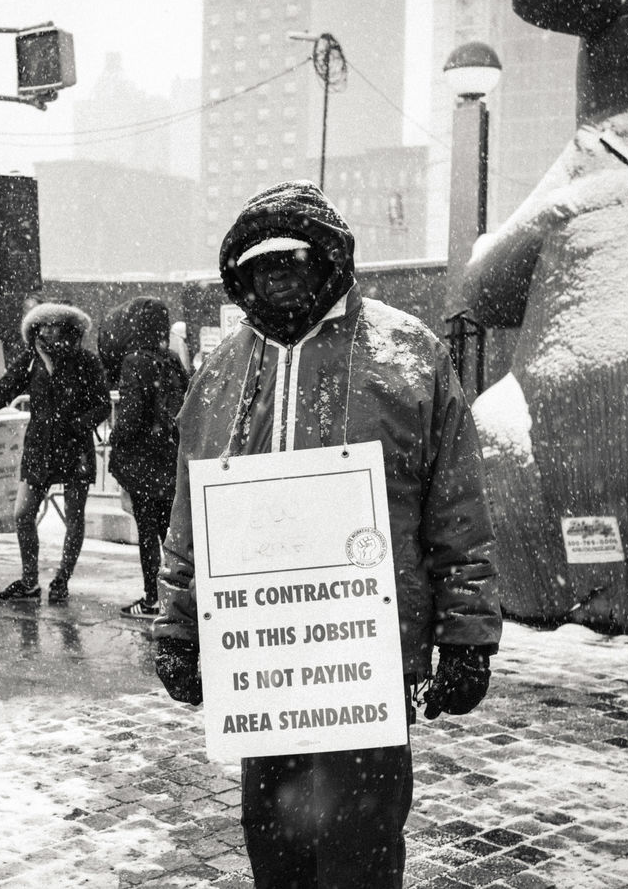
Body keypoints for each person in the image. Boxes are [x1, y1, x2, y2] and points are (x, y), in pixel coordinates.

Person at [151, 180, 502, 888]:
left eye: (292, 258)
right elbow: (192, 517)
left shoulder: (409, 356)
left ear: (328, 261)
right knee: (275, 844)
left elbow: (456, 507)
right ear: (240, 273)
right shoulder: (218, 376)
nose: (278, 275)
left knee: (361, 847)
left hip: (365, 661)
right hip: (264, 662)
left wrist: (467, 633)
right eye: (261, 263)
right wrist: (180, 628)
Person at [0, 302, 111, 605]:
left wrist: (78, 424)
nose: (48, 330)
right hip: (40, 449)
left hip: (75, 449)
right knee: (22, 514)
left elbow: (103, 405)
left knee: (74, 519)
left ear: (67, 328)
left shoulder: (85, 361)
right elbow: (1, 393)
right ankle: (29, 581)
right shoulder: (32, 359)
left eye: (54, 325)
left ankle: (62, 579)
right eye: (43, 325)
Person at [105, 296, 189, 619]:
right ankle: (181, 595)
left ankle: (153, 598)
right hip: (168, 460)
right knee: (171, 534)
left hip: (143, 463)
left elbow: (130, 416)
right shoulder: (171, 359)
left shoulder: (134, 361)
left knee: (147, 534)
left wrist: (115, 438)